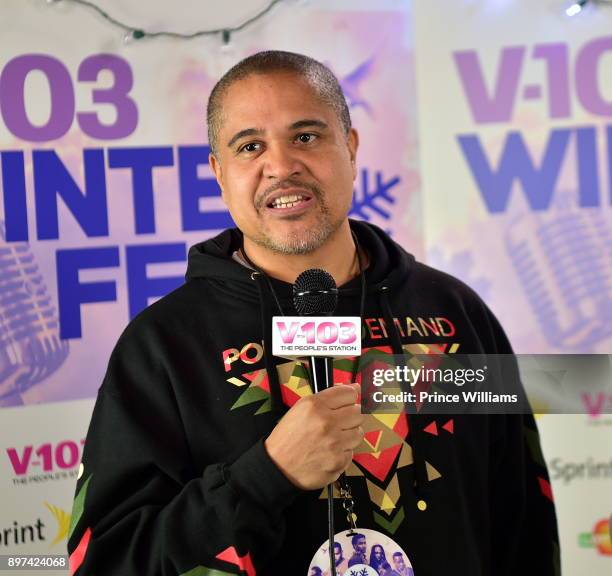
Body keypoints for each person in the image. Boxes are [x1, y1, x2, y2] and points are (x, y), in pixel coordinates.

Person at [67, 50, 560, 575]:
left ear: (349, 146)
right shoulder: (164, 344)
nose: (280, 166)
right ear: (219, 172)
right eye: (250, 146)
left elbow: (520, 519)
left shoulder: (453, 312)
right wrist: (266, 475)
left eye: (306, 136)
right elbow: (106, 561)